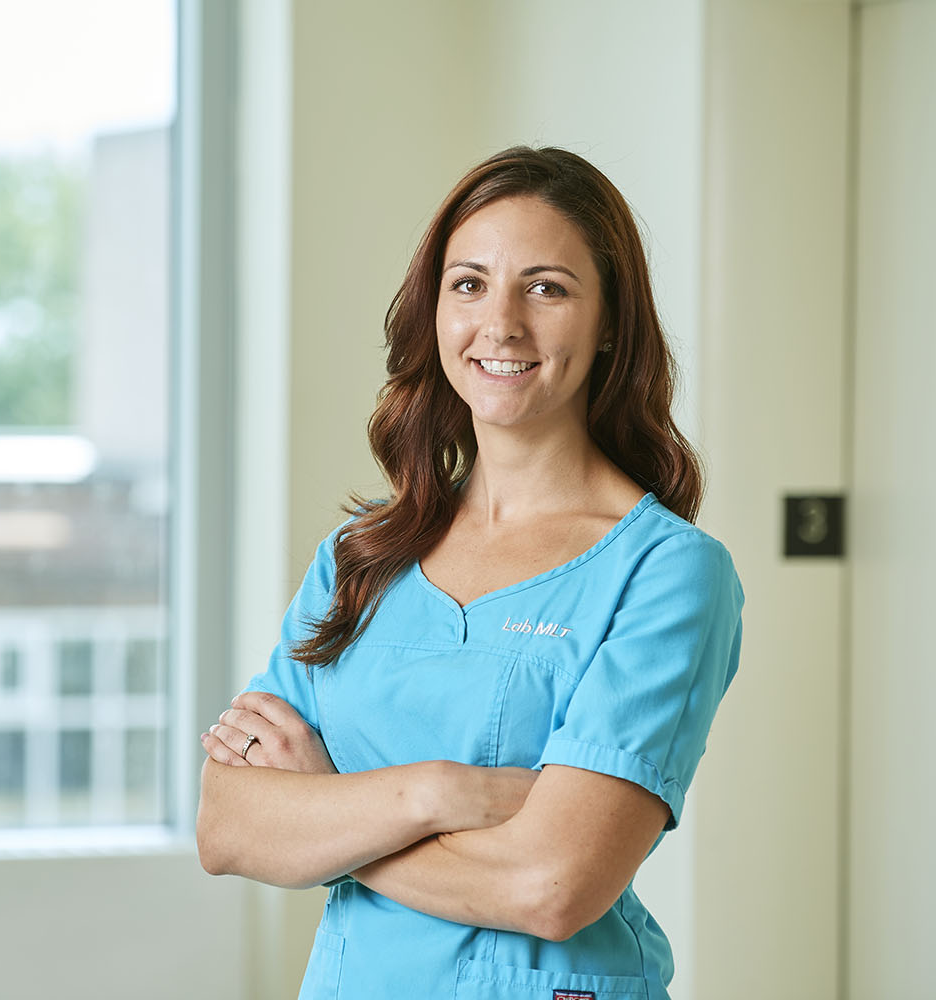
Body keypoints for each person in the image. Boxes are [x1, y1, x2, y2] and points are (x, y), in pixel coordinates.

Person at [195, 146, 744, 1000]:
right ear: (435, 311)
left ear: (610, 324)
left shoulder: (667, 573)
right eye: (469, 284)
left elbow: (553, 887)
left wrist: (330, 812)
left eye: (547, 287)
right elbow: (230, 827)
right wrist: (440, 793)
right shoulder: (359, 559)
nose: (503, 325)